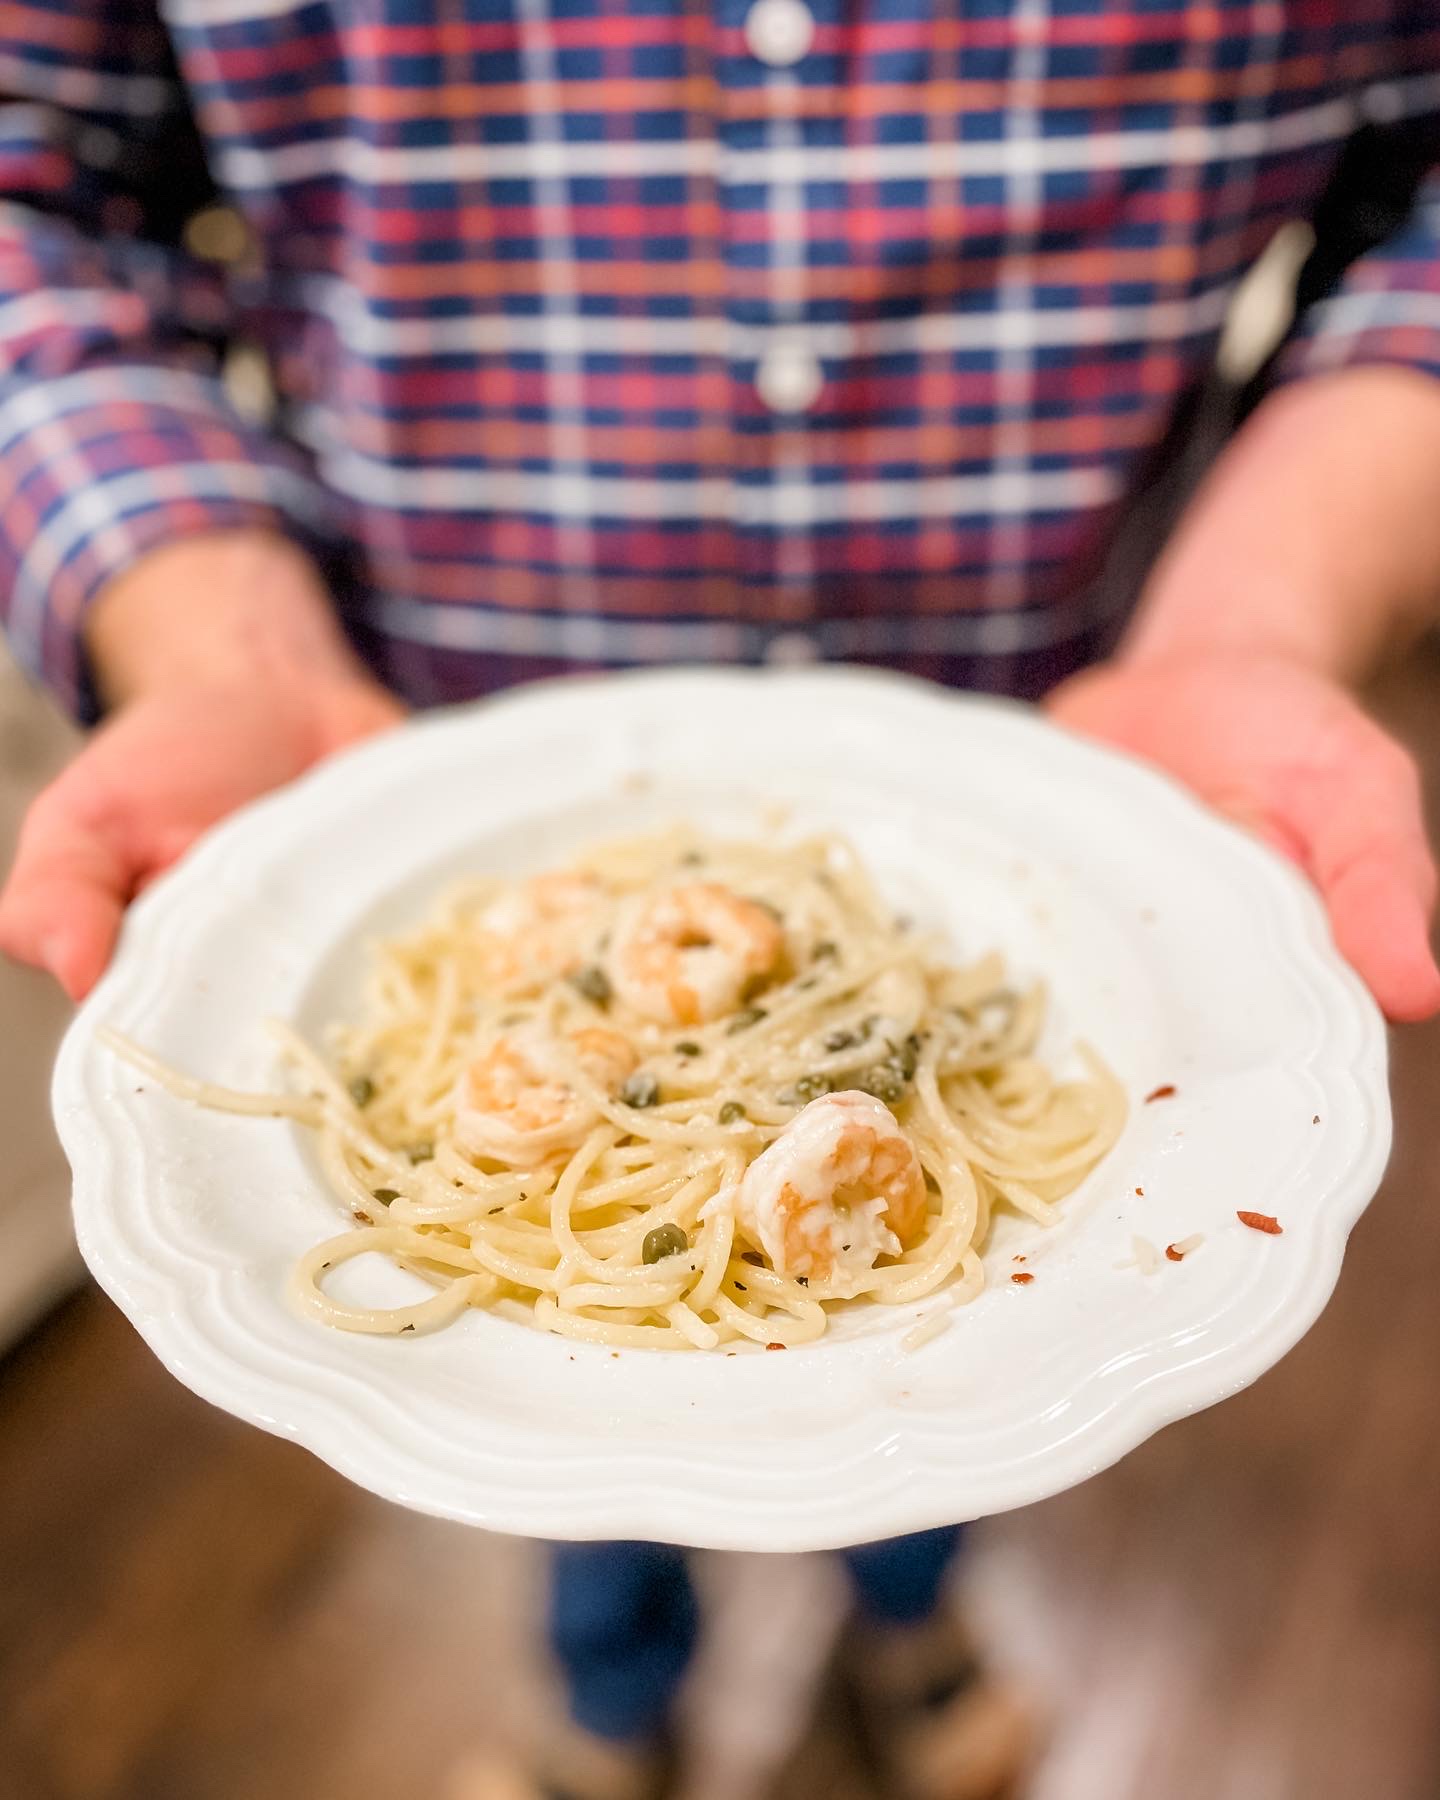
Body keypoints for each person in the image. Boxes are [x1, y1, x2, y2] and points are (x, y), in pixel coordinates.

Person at [2, 4, 1439, 1796]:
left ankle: (904, 1622)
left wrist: (1270, 603)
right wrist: (208, 623)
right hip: (403, 734)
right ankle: (610, 1710)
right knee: (548, 1420)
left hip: (1077, 753)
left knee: (960, 1349)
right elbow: (29, 176)